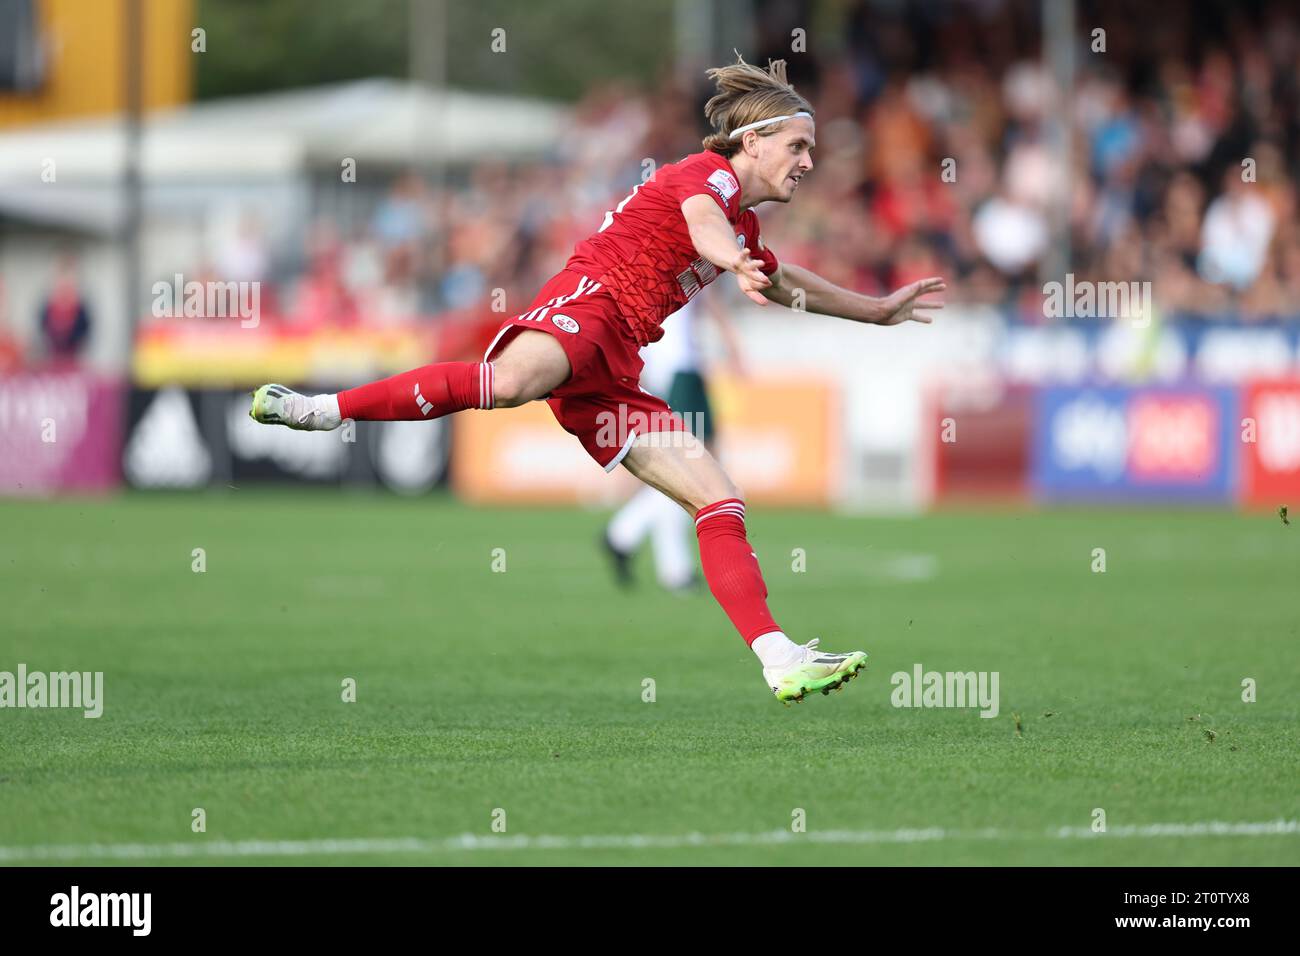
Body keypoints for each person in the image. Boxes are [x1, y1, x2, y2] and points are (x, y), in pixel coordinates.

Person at [249, 55, 944, 704]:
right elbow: (703, 226)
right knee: (512, 382)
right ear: (754, 142)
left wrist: (876, 310)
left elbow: (785, 279)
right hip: (589, 306)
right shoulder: (710, 181)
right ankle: (324, 410)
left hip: (616, 369)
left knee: (717, 498)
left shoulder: (740, 221)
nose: (809, 162)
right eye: (798, 146)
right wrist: (732, 262)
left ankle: (777, 656)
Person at [601, 288, 741, 594]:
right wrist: (733, 348)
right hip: (680, 372)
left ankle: (632, 539)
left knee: (697, 467)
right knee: (694, 470)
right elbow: (711, 301)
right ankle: (648, 551)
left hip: (677, 370)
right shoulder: (681, 258)